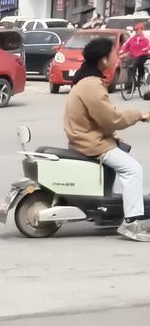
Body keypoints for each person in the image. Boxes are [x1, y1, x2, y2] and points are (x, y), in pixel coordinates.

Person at [63, 35, 150, 241]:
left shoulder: (86, 79)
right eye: (113, 54)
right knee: (133, 169)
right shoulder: (91, 84)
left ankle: (115, 211)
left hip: (87, 137)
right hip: (92, 143)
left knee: (125, 163)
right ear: (103, 60)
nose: (116, 58)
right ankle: (131, 223)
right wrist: (139, 115)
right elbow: (110, 118)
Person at [121, 21, 150, 94]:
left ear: (141, 30)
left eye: (138, 30)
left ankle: (141, 77)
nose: (136, 32)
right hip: (133, 57)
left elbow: (149, 45)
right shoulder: (132, 39)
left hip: (143, 55)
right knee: (130, 67)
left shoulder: (146, 38)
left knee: (137, 61)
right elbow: (125, 45)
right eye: (135, 30)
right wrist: (121, 51)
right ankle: (132, 85)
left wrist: (146, 49)